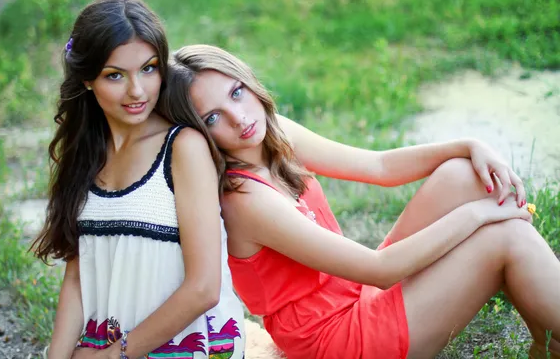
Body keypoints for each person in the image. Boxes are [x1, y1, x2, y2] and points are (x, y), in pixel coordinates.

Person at [160, 44, 560, 359]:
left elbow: (381, 167)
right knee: (506, 237)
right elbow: (379, 269)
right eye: (212, 117)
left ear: (248, 82)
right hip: (338, 339)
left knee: (465, 173)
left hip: (356, 293)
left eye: (237, 92)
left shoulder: (270, 134)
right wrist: (479, 217)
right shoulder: (243, 198)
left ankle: (546, 343)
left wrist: (470, 145)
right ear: (198, 133)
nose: (238, 117)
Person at [31, 0, 245, 359]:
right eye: (115, 75)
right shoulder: (86, 155)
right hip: (104, 346)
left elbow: (204, 287)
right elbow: (78, 277)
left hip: (183, 349)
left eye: (148, 69)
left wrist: (113, 355)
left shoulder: (182, 148)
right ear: (87, 80)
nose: (137, 90)